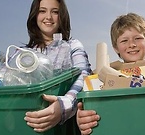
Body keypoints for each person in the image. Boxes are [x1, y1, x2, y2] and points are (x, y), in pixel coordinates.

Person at [77, 12, 145, 135]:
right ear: (115, 48)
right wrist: (84, 118)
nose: (132, 44)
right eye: (124, 40)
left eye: (138, 38)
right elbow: (96, 110)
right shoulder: (105, 78)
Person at [23, 0, 92, 133]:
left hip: (66, 128)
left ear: (62, 17)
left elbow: (84, 74)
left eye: (55, 12)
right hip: (29, 123)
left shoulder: (72, 45)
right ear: (34, 15)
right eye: (42, 11)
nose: (48, 17)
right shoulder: (24, 54)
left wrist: (64, 105)